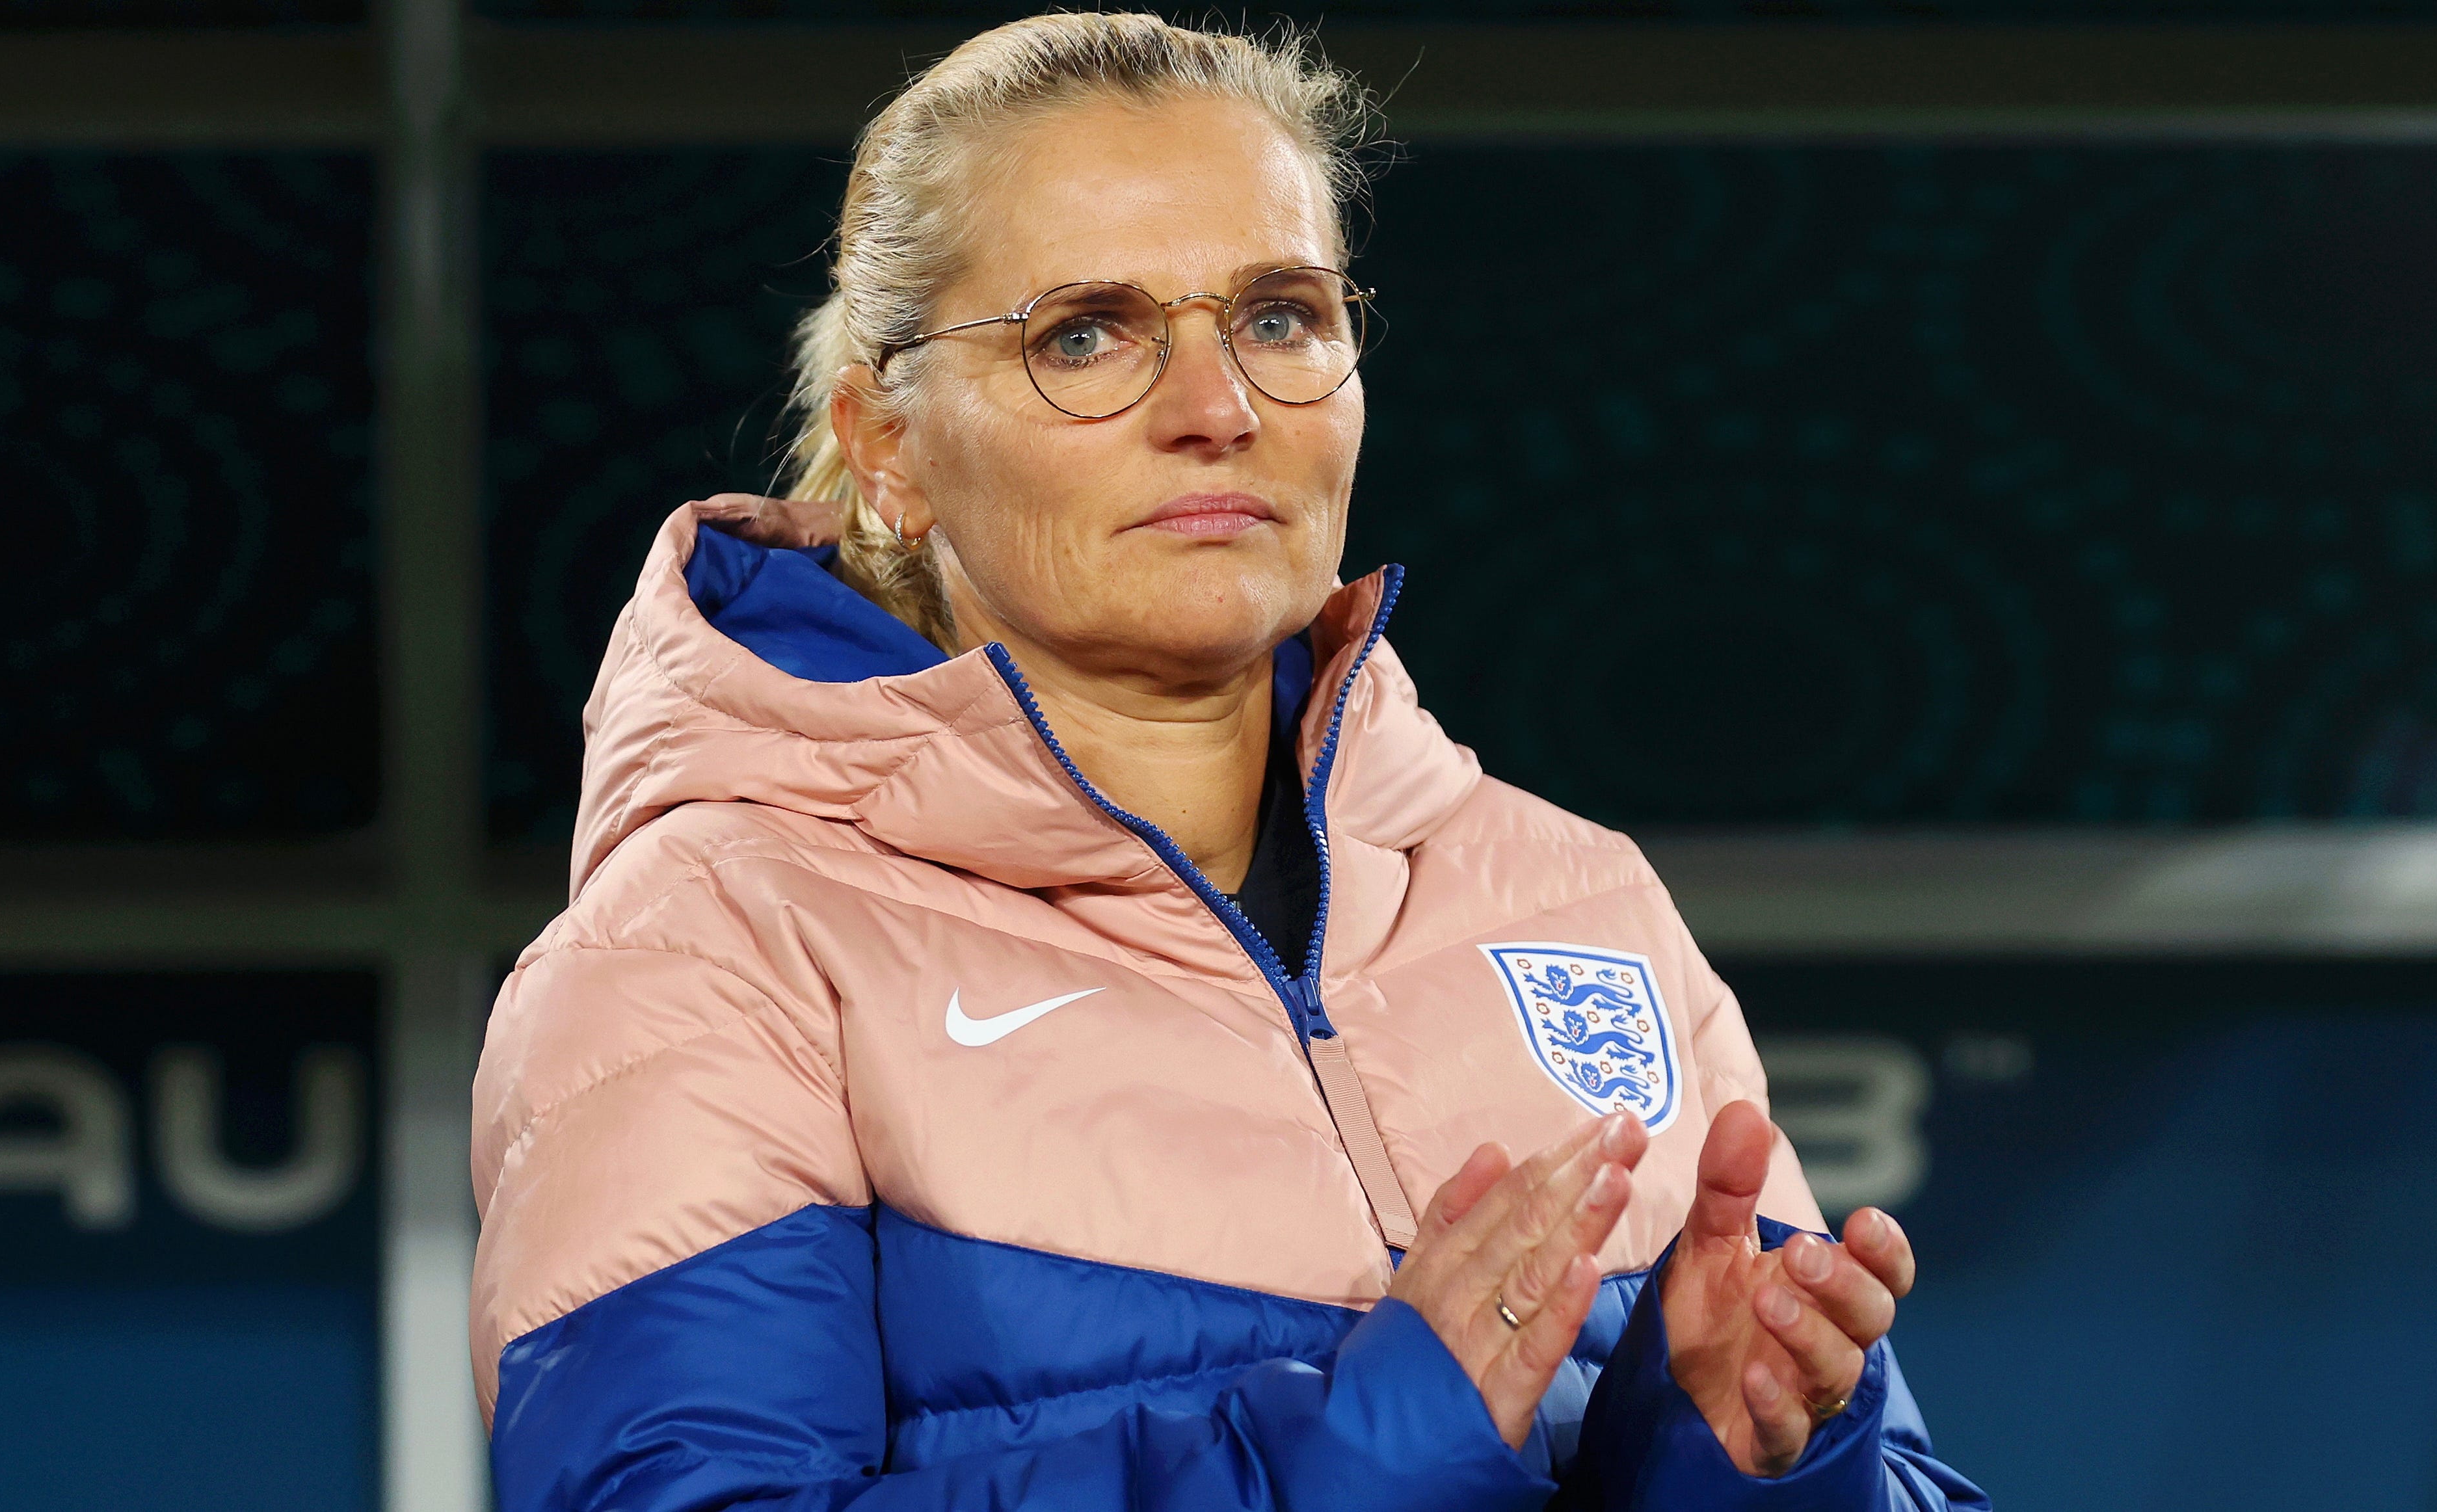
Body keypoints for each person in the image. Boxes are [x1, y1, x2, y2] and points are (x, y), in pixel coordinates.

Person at [470, 13, 1986, 1511]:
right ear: (889, 446)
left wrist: (1741, 1455)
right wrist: (1336, 1463)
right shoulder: (714, 939)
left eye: (1278, 317)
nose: (1218, 411)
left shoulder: (1577, 891)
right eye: (1085, 334)